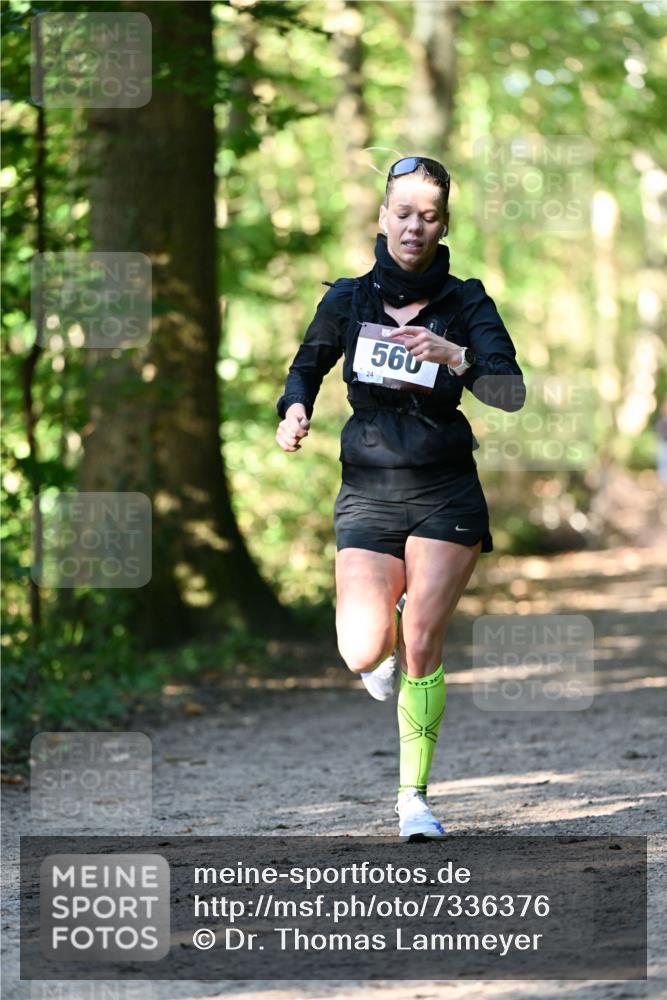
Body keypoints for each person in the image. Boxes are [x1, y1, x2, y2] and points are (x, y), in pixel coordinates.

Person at [275, 155, 525, 840]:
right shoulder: (348, 299)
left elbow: (510, 391)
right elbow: (305, 370)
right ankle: (380, 649)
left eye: (428, 216)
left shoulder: (466, 301)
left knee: (422, 639)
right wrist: (293, 411)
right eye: (403, 213)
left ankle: (413, 798)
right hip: (368, 489)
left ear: (443, 225)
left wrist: (453, 356)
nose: (414, 226)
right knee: (363, 650)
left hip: (445, 490)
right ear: (383, 217)